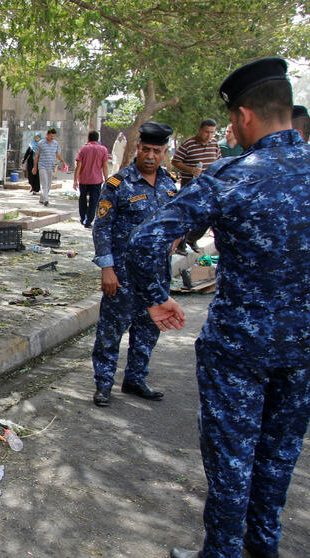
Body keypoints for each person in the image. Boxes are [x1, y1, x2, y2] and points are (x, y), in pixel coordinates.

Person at [126, 57, 310, 558]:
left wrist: (155, 301)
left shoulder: (232, 176)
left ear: (244, 116)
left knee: (232, 449)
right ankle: (264, 542)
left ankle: (222, 556)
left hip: (240, 346)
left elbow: (147, 239)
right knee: (281, 447)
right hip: (305, 344)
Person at [90, 122, 177, 408]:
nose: (151, 156)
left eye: (157, 151)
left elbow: (177, 220)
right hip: (123, 275)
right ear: (137, 148)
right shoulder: (118, 184)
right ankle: (104, 384)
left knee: (149, 328)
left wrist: (177, 238)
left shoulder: (169, 184)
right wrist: (107, 268)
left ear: (164, 153)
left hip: (157, 275)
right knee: (111, 331)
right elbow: (102, 227)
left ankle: (136, 379)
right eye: (146, 149)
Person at [172, 119, 221, 254]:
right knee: (187, 216)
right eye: (206, 132)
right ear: (200, 130)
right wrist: (190, 170)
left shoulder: (214, 144)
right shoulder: (188, 144)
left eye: (212, 132)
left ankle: (192, 239)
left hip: (207, 187)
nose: (209, 135)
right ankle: (180, 245)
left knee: (207, 216)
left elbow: (218, 162)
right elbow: (176, 161)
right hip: (190, 187)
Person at [72, 130, 110, 228]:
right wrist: (106, 179)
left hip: (83, 179)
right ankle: (88, 220)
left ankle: (82, 217)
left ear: (88, 138)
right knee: (94, 200)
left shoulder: (83, 149)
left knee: (83, 198)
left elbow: (78, 166)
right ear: (97, 139)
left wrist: (75, 180)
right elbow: (105, 166)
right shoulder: (103, 149)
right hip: (96, 180)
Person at [32, 128, 68, 206]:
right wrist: (35, 167)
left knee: (48, 184)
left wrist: (63, 162)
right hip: (42, 166)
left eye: (53, 136)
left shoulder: (55, 144)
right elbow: (36, 156)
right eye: (51, 136)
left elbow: (58, 154)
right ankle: (46, 200)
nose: (52, 138)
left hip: (51, 166)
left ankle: (42, 199)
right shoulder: (41, 143)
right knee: (44, 183)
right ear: (47, 135)